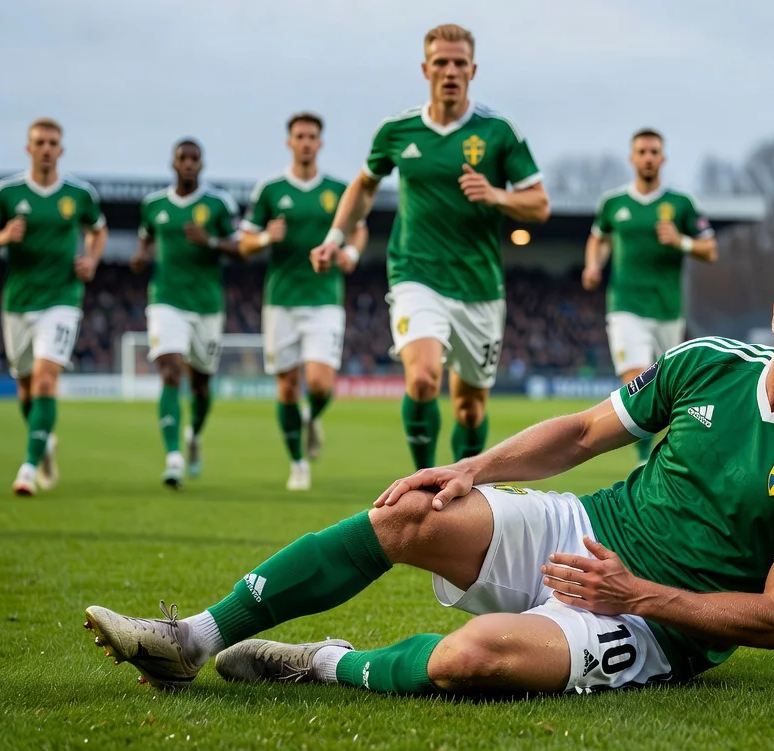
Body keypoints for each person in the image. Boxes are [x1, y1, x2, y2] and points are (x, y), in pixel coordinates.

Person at [83, 243, 774, 696]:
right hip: (585, 531)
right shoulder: (706, 363)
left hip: (653, 624)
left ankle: (322, 663)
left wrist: (635, 595)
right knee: (411, 515)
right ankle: (190, 638)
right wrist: (474, 466)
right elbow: (578, 434)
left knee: (473, 658)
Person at [311, 23, 550, 471]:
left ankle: (465, 487)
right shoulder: (397, 131)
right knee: (422, 379)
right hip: (415, 276)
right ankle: (423, 483)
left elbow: (539, 204)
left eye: (459, 63)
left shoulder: (498, 132)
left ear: (473, 70)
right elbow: (364, 186)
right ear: (425, 68)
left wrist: (496, 194)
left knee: (469, 408)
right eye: (441, 62)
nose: (450, 71)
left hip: (479, 287)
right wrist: (334, 237)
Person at [0, 117, 108, 496]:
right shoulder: (7, 193)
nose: (47, 149)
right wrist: (3, 236)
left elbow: (98, 230)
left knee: (47, 378)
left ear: (61, 150)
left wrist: (92, 259)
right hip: (18, 302)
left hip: (63, 300)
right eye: (40, 143)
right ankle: (44, 442)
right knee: (26, 389)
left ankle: (28, 468)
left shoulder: (79, 194)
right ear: (28, 148)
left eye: (53, 143)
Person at [239, 113, 366, 491]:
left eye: (312, 136)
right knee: (287, 388)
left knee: (321, 384)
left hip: (325, 298)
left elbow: (358, 230)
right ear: (289, 142)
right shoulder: (270, 190)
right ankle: (297, 463)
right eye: (300, 136)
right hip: (281, 301)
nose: (306, 142)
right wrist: (265, 238)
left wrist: (351, 255)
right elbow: (244, 242)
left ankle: (312, 418)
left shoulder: (338, 190)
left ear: (320, 143)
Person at [583, 129, 717, 465]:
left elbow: (710, 249)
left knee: (666, 389)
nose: (647, 157)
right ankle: (644, 459)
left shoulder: (681, 204)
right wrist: (592, 266)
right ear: (632, 157)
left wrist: (681, 241)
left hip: (668, 310)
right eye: (641, 151)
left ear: (663, 158)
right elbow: (598, 238)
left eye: (653, 151)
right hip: (626, 306)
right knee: (636, 379)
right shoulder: (614, 204)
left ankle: (656, 452)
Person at [133, 139, 242, 489]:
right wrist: (140, 256)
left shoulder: (218, 204)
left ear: (202, 164)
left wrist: (209, 241)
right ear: (173, 163)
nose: (189, 164)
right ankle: (173, 457)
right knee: (169, 370)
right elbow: (146, 239)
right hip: (165, 299)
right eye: (184, 158)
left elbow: (241, 248)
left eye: (195, 159)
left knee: (201, 383)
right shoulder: (154, 205)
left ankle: (194, 435)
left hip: (207, 306)